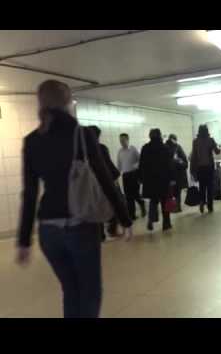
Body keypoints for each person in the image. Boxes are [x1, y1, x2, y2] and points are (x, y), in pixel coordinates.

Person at [16, 80, 132, 318]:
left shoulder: (32, 140)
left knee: (70, 290)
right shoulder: (82, 134)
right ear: (69, 102)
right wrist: (124, 218)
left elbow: (29, 193)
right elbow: (104, 178)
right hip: (79, 225)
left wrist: (24, 240)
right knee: (89, 291)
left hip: (48, 232)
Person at [89, 126, 122, 240]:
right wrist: (115, 177)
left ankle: (100, 235)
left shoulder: (82, 150)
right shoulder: (101, 148)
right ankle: (112, 230)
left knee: (96, 209)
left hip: (90, 185)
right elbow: (108, 165)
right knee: (114, 204)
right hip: (104, 183)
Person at [139, 129, 174, 232]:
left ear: (150, 136)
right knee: (164, 201)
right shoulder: (165, 148)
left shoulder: (145, 148)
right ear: (159, 136)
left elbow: (142, 164)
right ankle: (166, 223)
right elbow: (169, 165)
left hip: (150, 180)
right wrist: (172, 178)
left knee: (153, 201)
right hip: (163, 179)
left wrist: (141, 178)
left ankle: (151, 219)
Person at [190, 125, 221, 213]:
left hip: (200, 168)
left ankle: (202, 202)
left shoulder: (195, 141)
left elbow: (194, 156)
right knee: (210, 187)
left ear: (199, 131)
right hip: (209, 168)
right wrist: (218, 147)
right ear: (207, 131)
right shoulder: (210, 140)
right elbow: (217, 152)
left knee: (202, 187)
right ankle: (210, 206)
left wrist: (192, 170)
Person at [117, 133, 146, 221]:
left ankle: (141, 203)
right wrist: (117, 176)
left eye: (123, 140)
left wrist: (135, 166)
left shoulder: (133, 149)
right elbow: (119, 165)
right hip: (125, 176)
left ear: (127, 139)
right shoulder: (120, 151)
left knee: (135, 194)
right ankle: (132, 215)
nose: (121, 142)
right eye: (120, 140)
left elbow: (141, 160)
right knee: (128, 196)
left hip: (133, 175)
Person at [165, 134, 188, 213]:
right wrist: (179, 161)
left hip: (171, 174)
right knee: (175, 191)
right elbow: (184, 161)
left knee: (173, 191)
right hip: (176, 174)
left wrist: (179, 161)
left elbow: (184, 161)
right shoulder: (177, 147)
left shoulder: (169, 147)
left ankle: (174, 207)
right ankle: (176, 207)